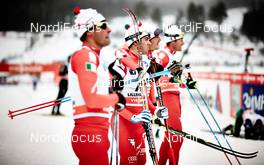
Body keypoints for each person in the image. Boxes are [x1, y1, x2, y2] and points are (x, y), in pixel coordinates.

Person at [69, 7, 126, 165]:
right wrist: (116, 97)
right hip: (90, 134)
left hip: (96, 134)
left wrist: (111, 90)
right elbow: (92, 100)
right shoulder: (86, 55)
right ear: (90, 31)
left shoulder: (94, 58)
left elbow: (96, 93)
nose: (109, 29)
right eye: (103, 25)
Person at [108, 23, 168, 164]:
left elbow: (145, 98)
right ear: (135, 42)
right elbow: (113, 100)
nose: (149, 42)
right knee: (130, 161)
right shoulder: (120, 64)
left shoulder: (145, 65)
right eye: (146, 38)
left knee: (141, 161)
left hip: (139, 124)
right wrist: (132, 116)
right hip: (123, 122)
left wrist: (156, 111)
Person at [155, 25, 187, 165]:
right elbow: (153, 72)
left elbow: (174, 79)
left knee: (170, 137)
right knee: (177, 138)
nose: (183, 42)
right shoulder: (164, 54)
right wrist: (170, 76)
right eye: (181, 39)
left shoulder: (172, 56)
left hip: (174, 97)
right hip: (167, 98)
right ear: (173, 40)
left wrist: (185, 80)